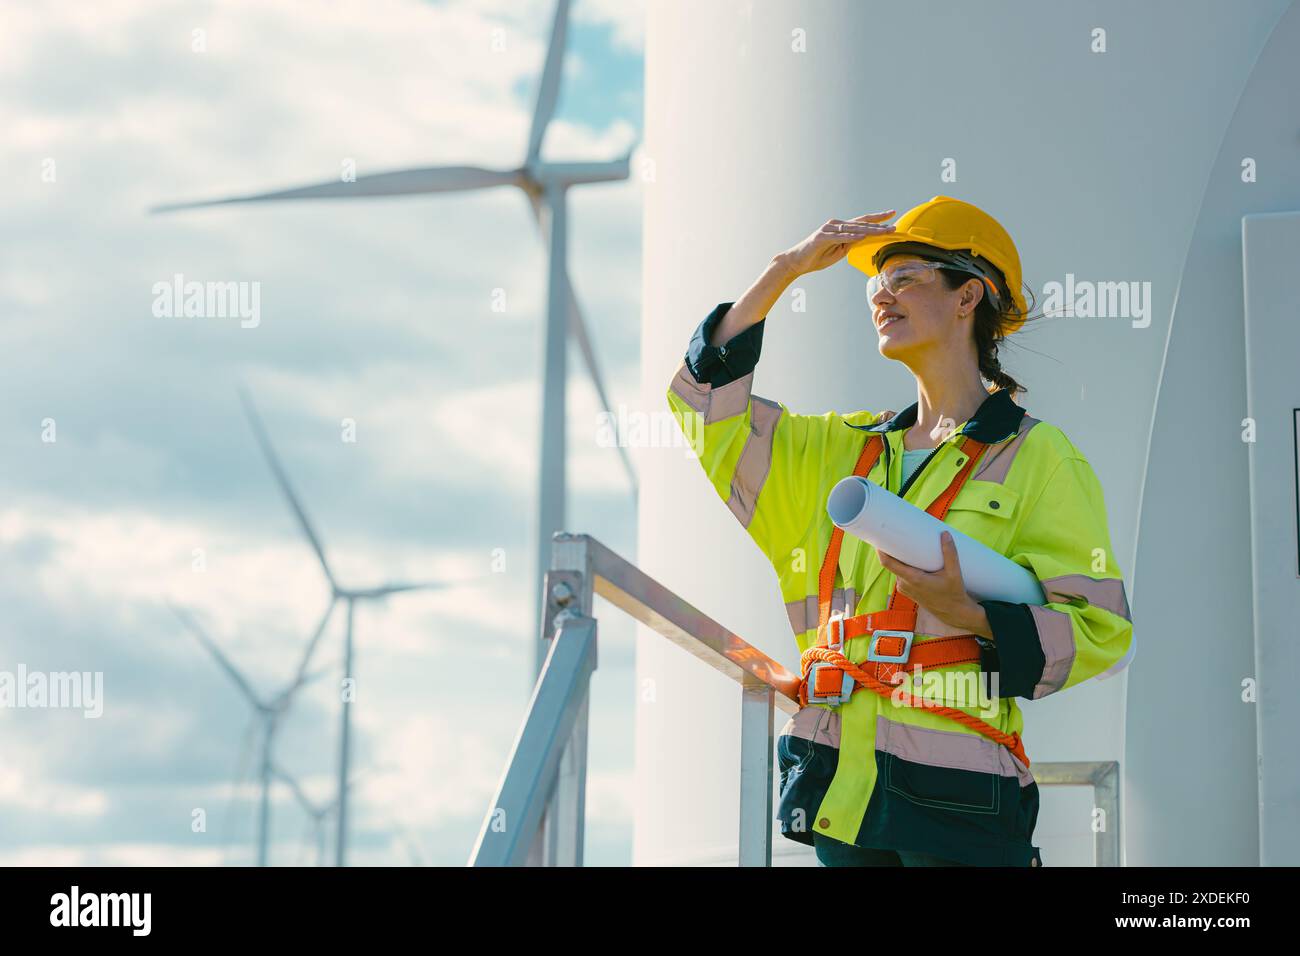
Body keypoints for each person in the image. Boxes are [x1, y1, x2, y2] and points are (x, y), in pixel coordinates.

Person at [666, 196, 1134, 867]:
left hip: (961, 800)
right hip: (841, 791)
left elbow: (1101, 629)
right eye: (875, 284)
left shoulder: (1039, 457)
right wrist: (784, 270)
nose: (882, 295)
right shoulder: (834, 451)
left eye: (906, 277)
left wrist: (967, 612)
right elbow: (701, 404)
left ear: (968, 295)